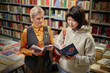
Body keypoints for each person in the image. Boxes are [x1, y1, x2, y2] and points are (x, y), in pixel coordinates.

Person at [55, 6, 95, 73]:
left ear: (80, 20)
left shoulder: (87, 37)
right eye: (68, 20)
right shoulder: (65, 31)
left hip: (78, 71)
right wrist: (61, 50)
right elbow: (57, 49)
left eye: (73, 20)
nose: (70, 23)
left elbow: (91, 59)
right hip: (62, 68)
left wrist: (75, 58)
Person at [20, 6, 54, 73]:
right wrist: (31, 52)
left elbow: (52, 43)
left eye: (42, 17)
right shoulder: (26, 31)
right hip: (31, 63)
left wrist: (52, 47)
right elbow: (22, 49)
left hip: (45, 62)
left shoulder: (48, 29)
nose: (41, 20)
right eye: (38, 18)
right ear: (32, 19)